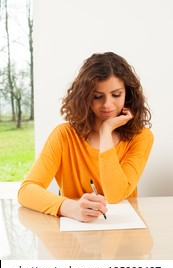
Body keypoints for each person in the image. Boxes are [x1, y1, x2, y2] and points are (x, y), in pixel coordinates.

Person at [18, 52, 154, 222]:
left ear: (128, 94)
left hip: (124, 236)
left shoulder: (141, 137)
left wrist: (106, 132)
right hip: (77, 235)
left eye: (116, 95)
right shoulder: (64, 135)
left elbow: (115, 195)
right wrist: (70, 208)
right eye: (97, 96)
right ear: (85, 96)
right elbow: (26, 191)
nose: (107, 105)